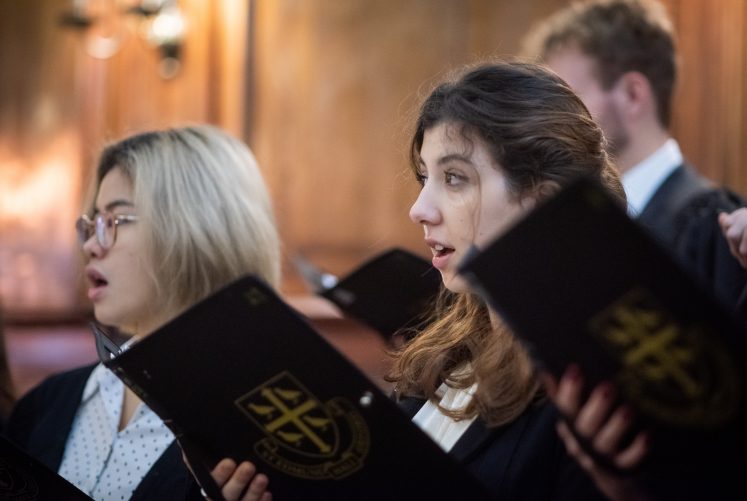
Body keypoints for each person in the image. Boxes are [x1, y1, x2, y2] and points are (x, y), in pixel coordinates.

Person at [208, 61, 618, 500]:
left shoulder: (594, 392)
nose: (420, 208)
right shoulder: (446, 357)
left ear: (542, 200)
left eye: (454, 178)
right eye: (425, 177)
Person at [4, 125, 281, 501]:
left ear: (197, 228)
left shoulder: (268, 431)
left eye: (114, 222)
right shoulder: (47, 402)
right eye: (92, 224)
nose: (91, 246)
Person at [523, 0, 747, 318]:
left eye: (567, 99)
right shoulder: (578, 226)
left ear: (632, 94)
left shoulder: (713, 227)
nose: (549, 122)